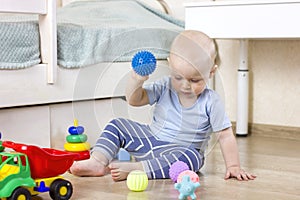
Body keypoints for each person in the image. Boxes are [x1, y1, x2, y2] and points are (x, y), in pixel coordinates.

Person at [70, 30, 256, 182]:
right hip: (150, 141)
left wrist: (233, 166)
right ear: (170, 66)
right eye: (178, 77)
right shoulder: (164, 85)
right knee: (117, 125)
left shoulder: (211, 101)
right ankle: (97, 161)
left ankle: (138, 169)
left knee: (192, 158)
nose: (185, 85)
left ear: (212, 72)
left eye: (195, 80)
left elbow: (224, 136)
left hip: (178, 152)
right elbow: (135, 100)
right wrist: (136, 80)